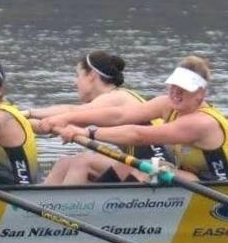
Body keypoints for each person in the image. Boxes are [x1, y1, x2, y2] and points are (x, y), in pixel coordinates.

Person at [53, 56, 228, 182]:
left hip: (214, 188)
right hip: (186, 177)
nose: (176, 93)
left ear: (200, 94)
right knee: (118, 164)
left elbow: (139, 135)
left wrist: (86, 132)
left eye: (184, 89)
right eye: (173, 86)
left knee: (146, 168)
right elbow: (121, 115)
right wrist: (64, 119)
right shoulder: (166, 104)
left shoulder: (201, 123)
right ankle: (73, 210)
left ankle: (100, 213)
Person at [30, 51, 165, 184]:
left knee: (82, 162)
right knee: (64, 163)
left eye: (77, 75)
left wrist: (28, 113)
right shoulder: (104, 102)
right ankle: (45, 198)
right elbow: (47, 127)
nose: (75, 82)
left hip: (157, 167)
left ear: (91, 75)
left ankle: (68, 198)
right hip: (137, 166)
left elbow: (71, 111)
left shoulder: (116, 97)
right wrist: (21, 121)